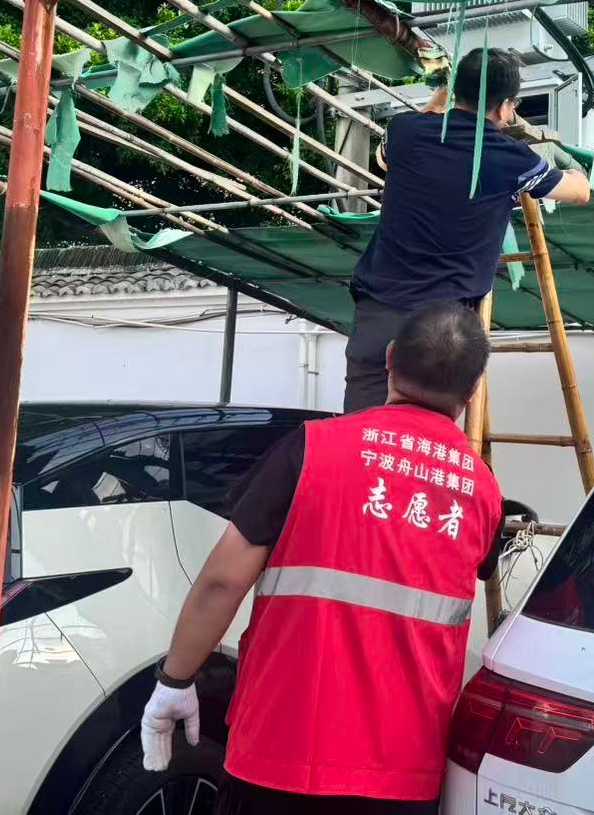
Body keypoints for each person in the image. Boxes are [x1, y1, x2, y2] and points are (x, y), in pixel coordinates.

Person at [138, 302, 505, 814]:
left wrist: (175, 679)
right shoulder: (482, 492)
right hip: (400, 777)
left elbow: (223, 580)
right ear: (471, 392)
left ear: (390, 358)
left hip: (279, 754)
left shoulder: (310, 451)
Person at [343, 46, 592, 414]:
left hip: (379, 309)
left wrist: (438, 99)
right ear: (505, 106)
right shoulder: (510, 157)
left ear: (454, 91)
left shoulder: (404, 131)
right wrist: (575, 169)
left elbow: (384, 159)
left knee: (359, 428)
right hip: (444, 330)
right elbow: (580, 192)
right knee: (425, 432)